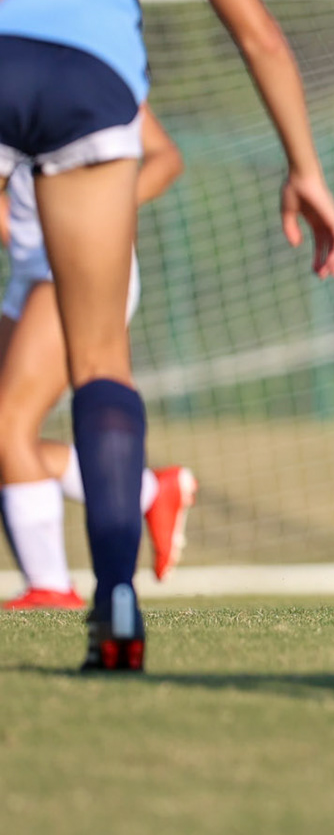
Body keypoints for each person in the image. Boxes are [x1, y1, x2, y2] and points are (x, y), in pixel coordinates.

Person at [0, 0, 334, 670]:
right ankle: (115, 598)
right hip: (94, 88)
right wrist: (306, 168)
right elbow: (256, 28)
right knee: (100, 362)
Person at [1, 107, 197, 610]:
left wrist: (97, 207)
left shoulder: (88, 60)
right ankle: (148, 491)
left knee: (7, 425)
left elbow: (165, 159)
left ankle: (51, 587)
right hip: (29, 270)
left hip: (79, 264)